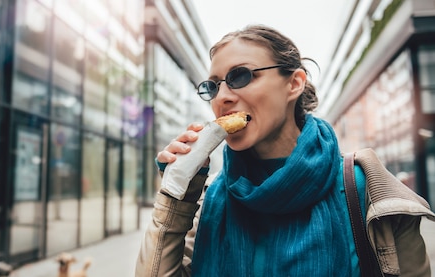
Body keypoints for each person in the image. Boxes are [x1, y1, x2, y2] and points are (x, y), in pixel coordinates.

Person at [135, 25, 435, 276]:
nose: (222, 97)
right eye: (212, 87)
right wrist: (176, 196)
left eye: (241, 76)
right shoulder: (210, 197)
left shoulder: (367, 190)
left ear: (294, 83)